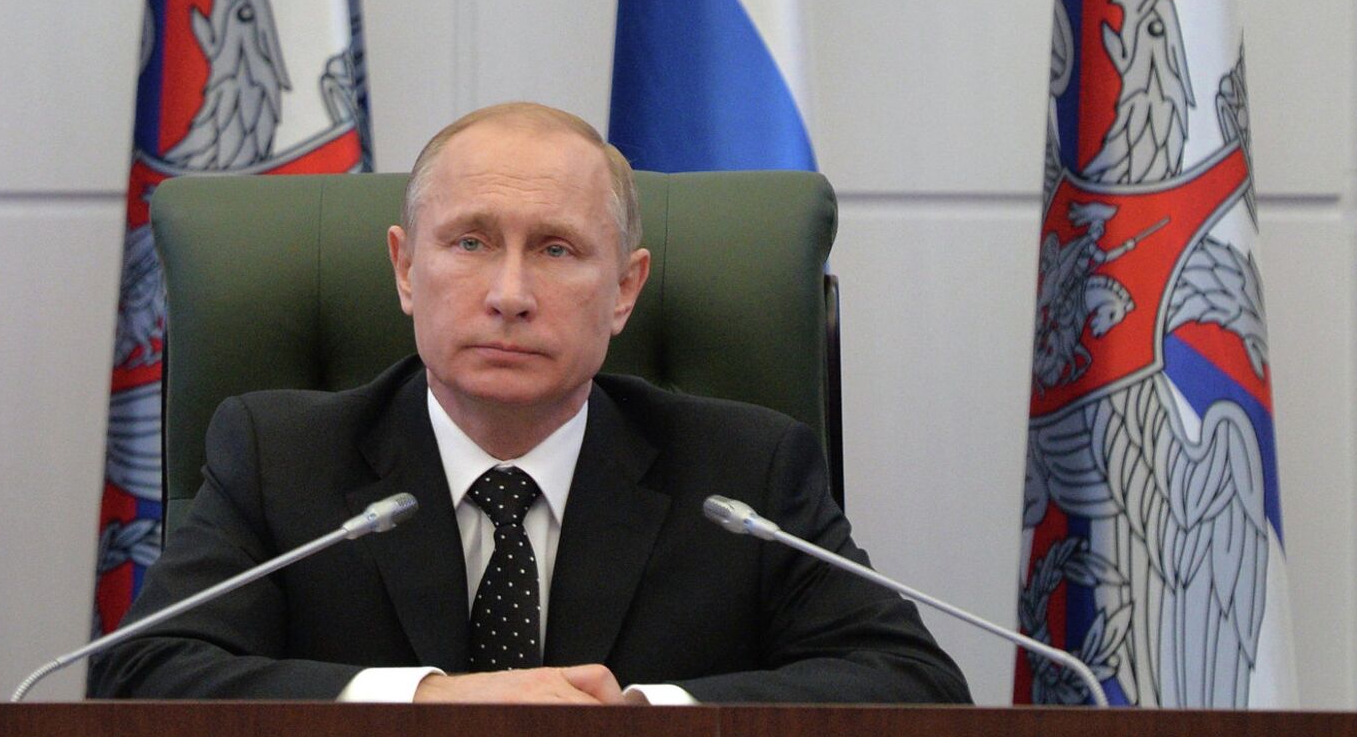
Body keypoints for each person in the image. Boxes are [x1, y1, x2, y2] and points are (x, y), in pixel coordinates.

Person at [89, 102, 970, 705]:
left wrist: (642, 718)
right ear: (405, 268)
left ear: (625, 289)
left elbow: (912, 683)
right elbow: (141, 674)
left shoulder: (744, 475)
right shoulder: (279, 456)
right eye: (470, 243)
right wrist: (430, 702)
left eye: (555, 250)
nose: (509, 294)